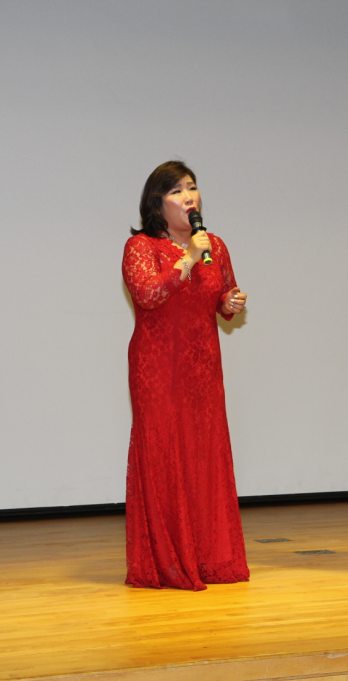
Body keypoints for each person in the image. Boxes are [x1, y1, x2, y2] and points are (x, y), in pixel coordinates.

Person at [122, 160, 249, 590]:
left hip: (202, 368)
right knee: (165, 454)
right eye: (176, 190)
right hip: (158, 367)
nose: (188, 196)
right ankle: (167, 561)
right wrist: (188, 260)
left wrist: (230, 302)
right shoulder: (140, 247)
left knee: (203, 455)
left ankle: (209, 555)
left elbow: (222, 297)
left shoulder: (216, 245)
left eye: (191, 187)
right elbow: (148, 294)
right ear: (157, 203)